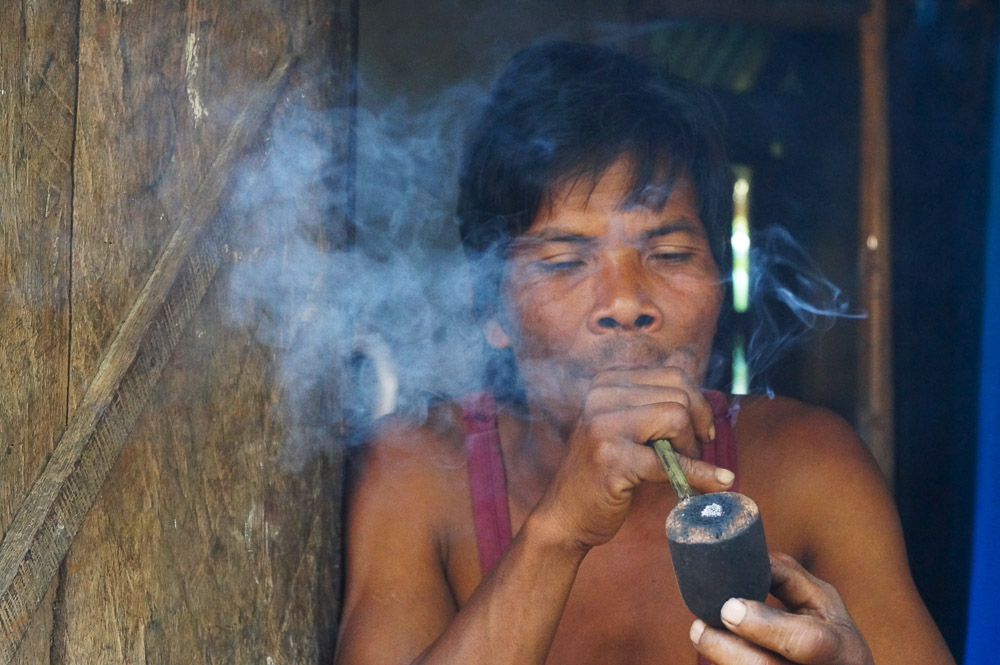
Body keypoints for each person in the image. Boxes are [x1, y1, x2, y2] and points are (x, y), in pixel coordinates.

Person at [334, 41, 955, 665]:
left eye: (671, 254)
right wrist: (559, 532)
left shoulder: (807, 466)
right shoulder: (417, 475)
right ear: (492, 310)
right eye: (565, 262)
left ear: (721, 281)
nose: (626, 301)